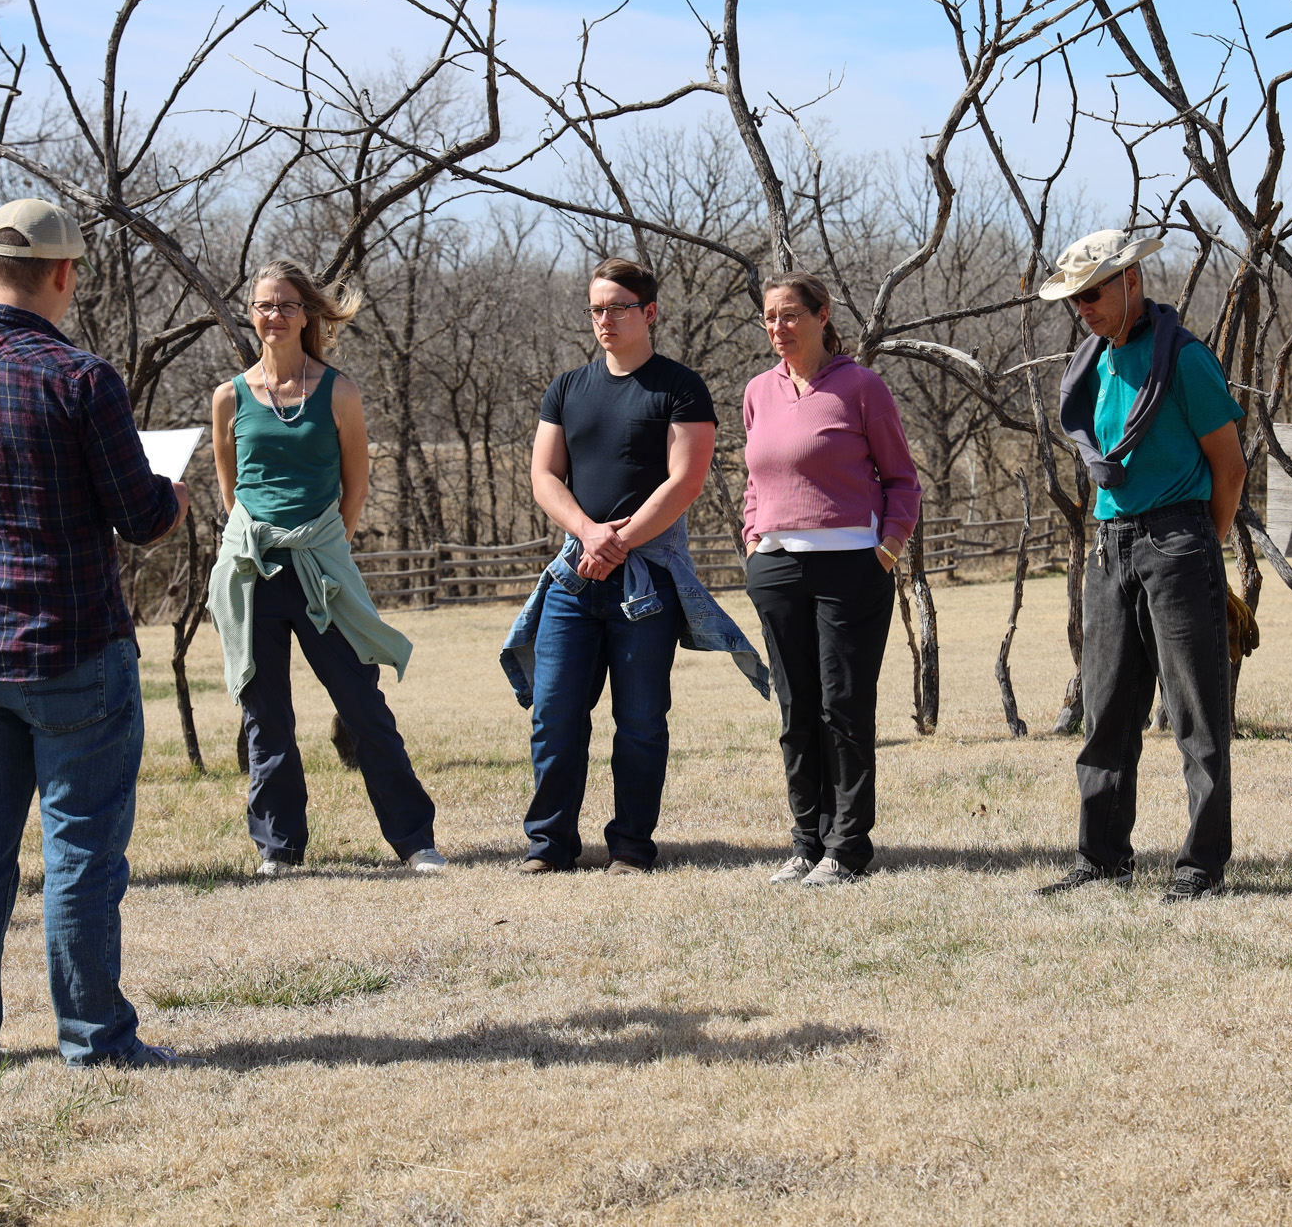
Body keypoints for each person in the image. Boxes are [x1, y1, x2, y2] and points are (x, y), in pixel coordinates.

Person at [0, 198, 188, 1069]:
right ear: (64, 274)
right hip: (68, 648)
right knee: (80, 848)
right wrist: (170, 490)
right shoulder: (79, 378)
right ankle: (94, 1039)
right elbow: (139, 517)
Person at [500, 257, 768, 874]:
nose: (605, 319)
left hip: (645, 581)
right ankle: (550, 846)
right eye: (596, 308)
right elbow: (544, 475)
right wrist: (588, 534)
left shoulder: (678, 386)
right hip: (575, 577)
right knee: (555, 714)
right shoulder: (567, 388)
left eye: (618, 307)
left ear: (649, 313)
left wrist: (617, 543)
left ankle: (630, 847)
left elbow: (686, 479)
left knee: (641, 719)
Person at [207, 258, 444, 879]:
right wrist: (256, 543)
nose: (274, 315)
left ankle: (416, 840)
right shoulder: (229, 397)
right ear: (252, 314)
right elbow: (231, 492)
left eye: (286, 304)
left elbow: (355, 487)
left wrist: (322, 544)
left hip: (321, 570)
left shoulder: (338, 391)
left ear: (308, 313)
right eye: (263, 304)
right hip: (254, 572)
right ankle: (278, 848)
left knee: (362, 704)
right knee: (267, 714)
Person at [1035, 229, 1247, 903]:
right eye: (1073, 300)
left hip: (1178, 537)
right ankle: (1102, 858)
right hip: (1110, 542)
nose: (1083, 309)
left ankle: (1200, 866)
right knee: (1107, 709)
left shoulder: (1184, 361)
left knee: (1195, 715)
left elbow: (1231, 467)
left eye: (1092, 293)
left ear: (1131, 282)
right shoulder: (1093, 362)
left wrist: (1198, 547)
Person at [740, 273, 919, 888]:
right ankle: (805, 843)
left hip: (851, 565)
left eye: (791, 315)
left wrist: (888, 546)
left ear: (822, 316)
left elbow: (902, 479)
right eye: (769, 317)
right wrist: (753, 537)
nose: (778, 328)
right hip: (778, 565)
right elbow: (754, 480)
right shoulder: (758, 392)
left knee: (843, 705)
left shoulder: (861, 387)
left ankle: (848, 848)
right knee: (796, 708)